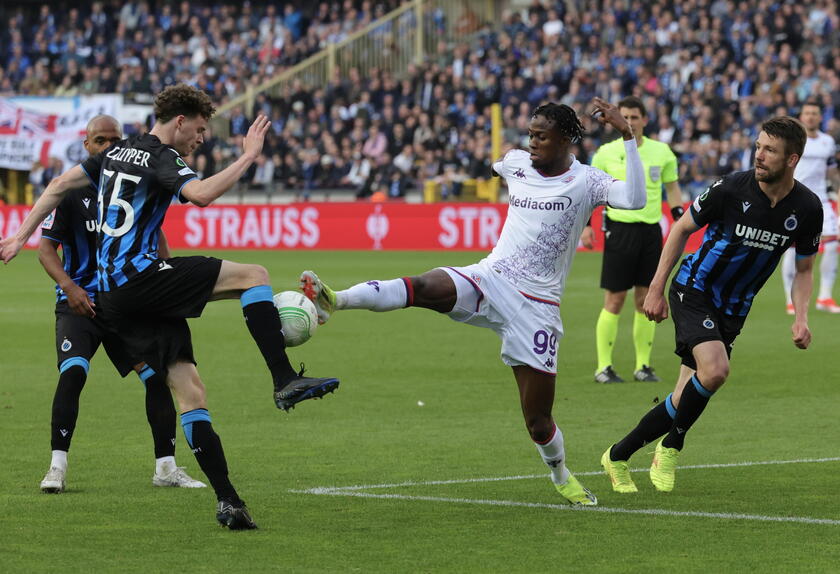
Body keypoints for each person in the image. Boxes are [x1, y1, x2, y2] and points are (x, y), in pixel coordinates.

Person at [1, 84, 341, 529]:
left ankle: (229, 503)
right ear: (179, 121)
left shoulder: (118, 152)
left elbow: (60, 183)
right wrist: (248, 156)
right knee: (254, 275)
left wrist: (18, 237)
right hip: (140, 279)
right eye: (199, 129)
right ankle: (283, 379)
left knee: (190, 390)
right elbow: (200, 196)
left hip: (116, 300)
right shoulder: (162, 156)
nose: (201, 138)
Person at [299, 99, 647, 506]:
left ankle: (561, 475)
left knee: (537, 421)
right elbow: (498, 165)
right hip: (491, 277)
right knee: (424, 286)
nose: (532, 142)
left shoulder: (588, 181)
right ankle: (335, 300)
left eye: (542, 136)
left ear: (567, 140)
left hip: (536, 306)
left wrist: (628, 135)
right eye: (530, 134)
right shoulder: (515, 163)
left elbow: (636, 199)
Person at [601, 116, 822, 494]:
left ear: (792, 159)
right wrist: (655, 289)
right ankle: (672, 446)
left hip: (734, 309)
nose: (759, 155)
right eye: (758, 146)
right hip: (694, 289)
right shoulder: (731, 189)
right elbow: (681, 229)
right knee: (716, 370)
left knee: (683, 395)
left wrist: (801, 318)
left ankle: (617, 456)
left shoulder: (806, 207)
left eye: (770, 150)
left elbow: (803, 269)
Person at [37, 115, 204, 494]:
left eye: (114, 140)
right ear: (86, 146)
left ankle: (166, 466)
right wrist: (69, 287)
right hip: (78, 303)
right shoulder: (70, 193)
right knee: (74, 373)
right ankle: (56, 466)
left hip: (125, 301)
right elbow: (46, 250)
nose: (109, 148)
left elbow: (155, 236)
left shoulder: (130, 183)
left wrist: (167, 284)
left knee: (157, 376)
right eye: (100, 141)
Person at [582, 96, 685, 384]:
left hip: (651, 231)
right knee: (614, 300)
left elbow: (672, 189)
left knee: (645, 300)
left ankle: (643, 366)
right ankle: (603, 367)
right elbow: (591, 191)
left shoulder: (662, 152)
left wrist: (680, 219)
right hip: (619, 229)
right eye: (624, 116)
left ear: (644, 120)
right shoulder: (605, 153)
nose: (629, 122)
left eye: (634, 117)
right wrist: (587, 226)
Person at [780, 100, 840, 314]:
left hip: (822, 201)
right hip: (795, 200)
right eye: (807, 113)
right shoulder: (793, 141)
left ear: (820, 117)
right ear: (802, 116)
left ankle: (824, 297)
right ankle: (790, 299)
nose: (811, 116)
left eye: (815, 113)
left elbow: (832, 172)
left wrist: (838, 192)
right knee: (790, 248)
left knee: (832, 245)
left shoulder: (828, 142)